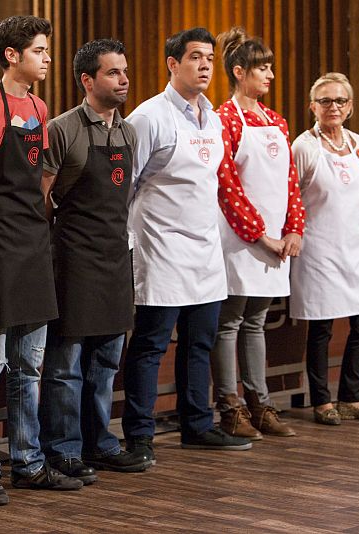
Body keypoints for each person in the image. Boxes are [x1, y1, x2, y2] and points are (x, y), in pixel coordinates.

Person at [0, 15, 82, 506]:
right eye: (40, 51)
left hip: (33, 246)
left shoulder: (39, 107)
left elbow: (36, 178)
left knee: (30, 366)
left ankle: (28, 462)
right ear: (12, 55)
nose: (47, 59)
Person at [121, 27, 253, 462]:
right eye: (195, 57)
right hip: (160, 248)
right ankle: (139, 435)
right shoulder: (148, 117)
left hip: (204, 249)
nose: (204, 66)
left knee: (200, 342)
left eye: (210, 59)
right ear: (172, 64)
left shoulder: (212, 117)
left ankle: (197, 425)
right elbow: (125, 186)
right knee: (150, 345)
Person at [38, 39, 152, 484]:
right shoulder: (62, 129)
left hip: (114, 256)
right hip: (73, 258)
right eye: (112, 73)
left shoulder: (128, 132)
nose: (124, 80)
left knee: (105, 361)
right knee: (66, 365)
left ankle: (100, 443)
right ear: (87, 80)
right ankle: (63, 449)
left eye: (124, 71)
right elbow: (41, 199)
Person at [210, 27, 305, 440]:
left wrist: (294, 230)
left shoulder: (277, 121)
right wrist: (260, 235)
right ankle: (230, 408)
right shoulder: (225, 119)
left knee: (256, 321)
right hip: (240, 239)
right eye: (262, 68)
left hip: (276, 240)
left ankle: (260, 404)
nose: (270, 75)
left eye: (270, 68)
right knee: (230, 322)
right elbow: (226, 185)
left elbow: (290, 182)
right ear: (239, 71)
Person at [290, 72, 359, 425]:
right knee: (322, 327)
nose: (333, 107)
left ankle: (351, 395)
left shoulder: (358, 143)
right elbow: (291, 196)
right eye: (325, 101)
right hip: (318, 247)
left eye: (340, 101)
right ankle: (321, 401)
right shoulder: (304, 147)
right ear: (313, 107)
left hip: (354, 248)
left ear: (350, 107)